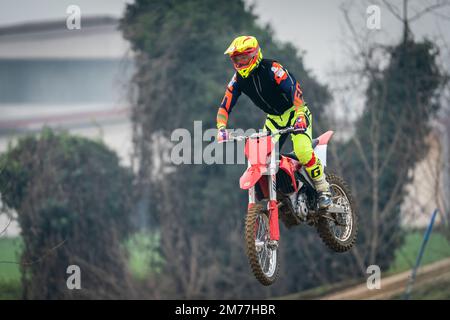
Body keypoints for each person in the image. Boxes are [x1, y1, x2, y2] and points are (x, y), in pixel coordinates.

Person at [216, 35, 331, 209]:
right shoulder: (237, 80)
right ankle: (288, 193)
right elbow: (224, 106)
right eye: (236, 58)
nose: (240, 62)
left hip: (295, 112)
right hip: (274, 120)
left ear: (254, 55)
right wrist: (221, 128)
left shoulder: (272, 68)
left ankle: (323, 189)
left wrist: (300, 114)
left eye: (243, 57)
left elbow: (294, 89)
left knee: (302, 150)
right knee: (262, 159)